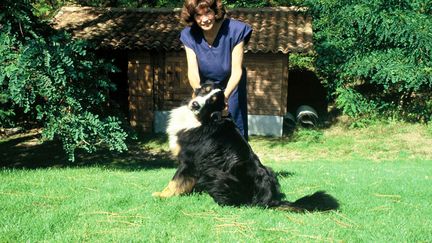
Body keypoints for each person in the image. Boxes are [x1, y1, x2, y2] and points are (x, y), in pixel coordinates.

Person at [179, 0, 252, 139]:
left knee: (234, 131)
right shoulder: (188, 35)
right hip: (205, 88)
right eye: (198, 15)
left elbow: (237, 71)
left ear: (215, 11)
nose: (204, 19)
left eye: (208, 12)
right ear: (192, 17)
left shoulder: (236, 30)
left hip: (232, 87)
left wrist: (223, 98)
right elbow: (193, 71)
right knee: (206, 131)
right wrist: (199, 93)